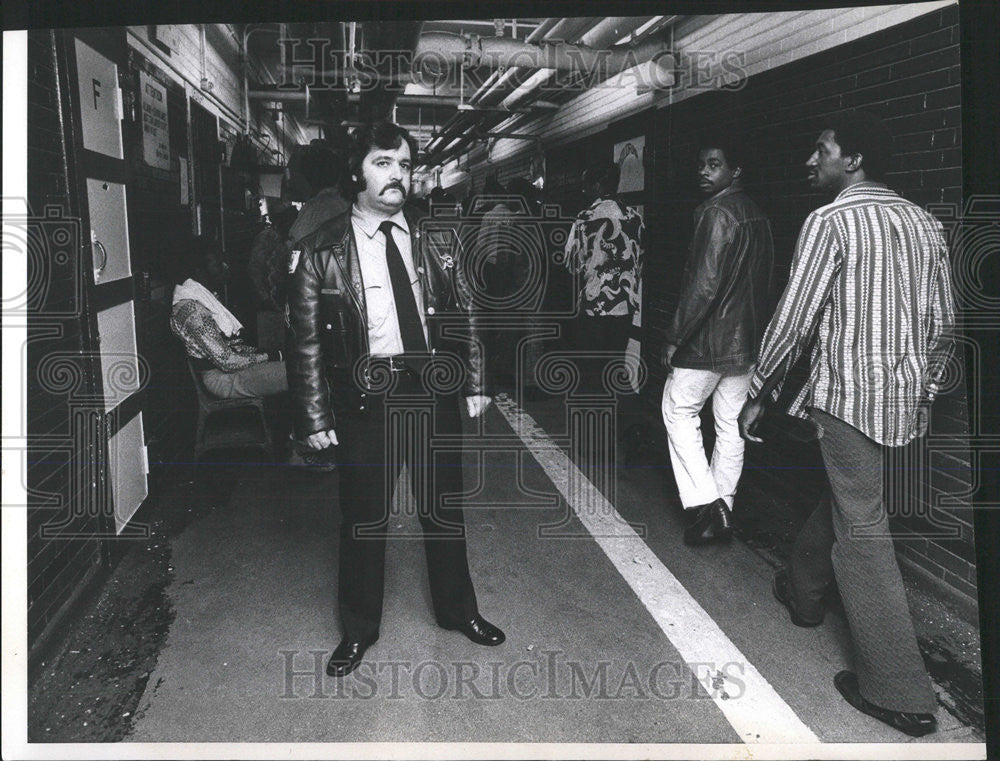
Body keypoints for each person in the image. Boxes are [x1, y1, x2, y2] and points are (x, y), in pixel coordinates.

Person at [738, 111, 955, 737]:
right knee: (852, 495)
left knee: (862, 521)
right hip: (902, 400)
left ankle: (899, 691)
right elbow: (944, 320)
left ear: (851, 159)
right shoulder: (925, 223)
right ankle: (803, 595)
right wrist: (925, 388)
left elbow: (795, 315)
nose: (812, 161)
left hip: (848, 397)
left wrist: (760, 389)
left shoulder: (831, 220)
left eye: (821, 150)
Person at [287, 121, 505, 678]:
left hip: (432, 385)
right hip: (366, 391)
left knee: (442, 506)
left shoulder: (437, 237)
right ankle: (358, 630)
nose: (397, 176)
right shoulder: (321, 250)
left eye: (405, 165)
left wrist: (478, 380)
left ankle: (459, 611)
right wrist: (313, 414)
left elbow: (468, 310)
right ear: (356, 172)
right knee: (364, 513)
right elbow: (305, 339)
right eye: (385, 162)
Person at [661, 136, 774, 546]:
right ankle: (725, 505)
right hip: (745, 341)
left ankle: (709, 506)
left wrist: (675, 335)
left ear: (735, 171)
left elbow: (703, 285)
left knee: (677, 409)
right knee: (729, 426)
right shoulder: (758, 216)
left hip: (708, 339)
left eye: (714, 165)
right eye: (702, 164)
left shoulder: (716, 213)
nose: (704, 172)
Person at [564, 162, 644, 395]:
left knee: (591, 369)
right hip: (625, 306)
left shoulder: (584, 218)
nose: (583, 190)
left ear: (598, 185)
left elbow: (572, 263)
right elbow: (640, 260)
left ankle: (597, 420)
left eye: (586, 185)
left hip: (594, 306)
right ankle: (620, 418)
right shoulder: (635, 217)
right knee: (615, 364)